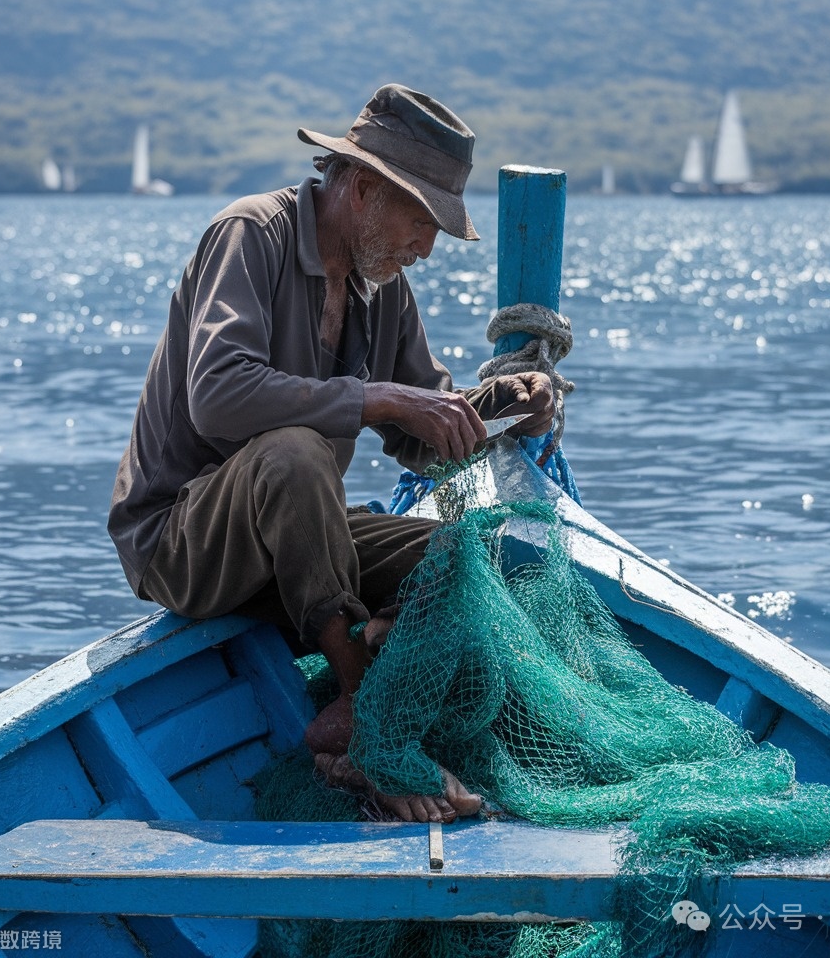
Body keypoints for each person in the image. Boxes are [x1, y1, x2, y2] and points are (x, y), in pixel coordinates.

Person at [108, 84, 554, 822]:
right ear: (364, 189)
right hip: (183, 544)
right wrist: (377, 398)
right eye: (422, 221)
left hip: (295, 547)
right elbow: (217, 395)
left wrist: (505, 403)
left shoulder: (384, 288)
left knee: (460, 556)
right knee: (295, 452)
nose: (427, 248)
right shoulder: (251, 234)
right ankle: (358, 710)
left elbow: (422, 431)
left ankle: (361, 697)